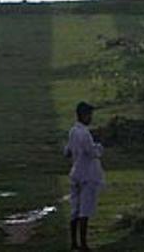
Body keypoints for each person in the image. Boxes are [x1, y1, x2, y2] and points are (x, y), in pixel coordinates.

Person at [63, 101, 105, 251]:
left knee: (75, 209)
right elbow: (92, 152)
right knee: (85, 210)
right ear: (85, 116)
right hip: (87, 175)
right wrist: (100, 147)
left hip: (75, 173)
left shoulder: (73, 131)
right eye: (90, 115)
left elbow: (67, 151)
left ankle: (74, 242)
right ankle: (84, 243)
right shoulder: (85, 134)